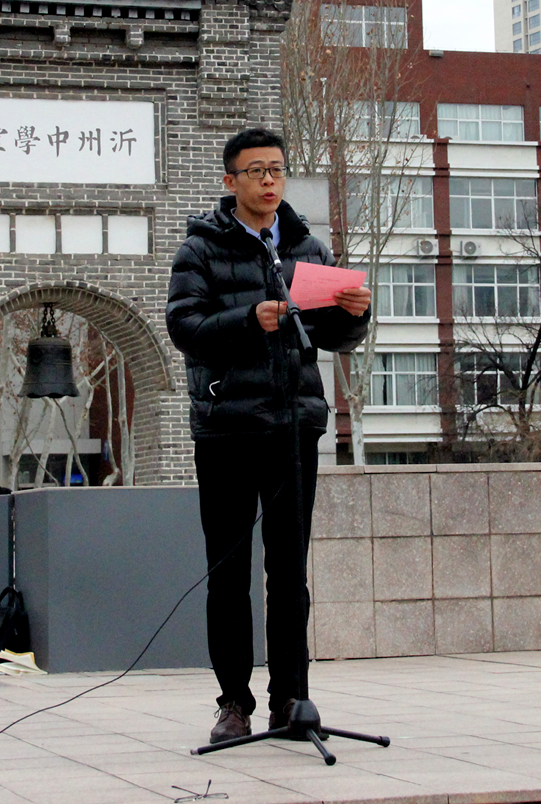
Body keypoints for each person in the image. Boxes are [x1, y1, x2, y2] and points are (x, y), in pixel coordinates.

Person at [166, 127, 371, 743]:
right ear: (231, 180)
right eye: (255, 171)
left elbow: (331, 337)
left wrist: (354, 317)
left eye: (276, 169)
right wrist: (248, 320)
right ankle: (234, 702)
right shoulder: (200, 248)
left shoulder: (308, 247)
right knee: (228, 571)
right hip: (227, 428)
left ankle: (291, 700)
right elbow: (184, 327)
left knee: (288, 572)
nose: (268, 180)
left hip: (293, 429)